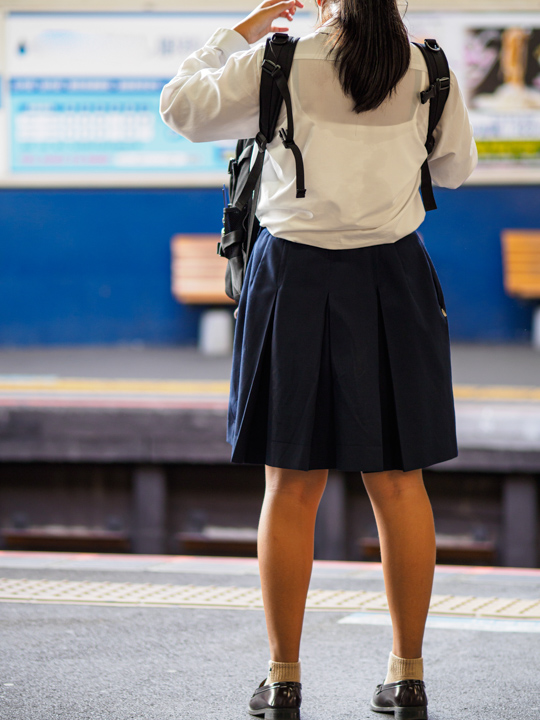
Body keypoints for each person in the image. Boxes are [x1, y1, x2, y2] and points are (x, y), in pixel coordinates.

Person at [160, 1, 477, 718]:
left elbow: (180, 107)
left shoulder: (277, 61)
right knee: (399, 483)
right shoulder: (426, 65)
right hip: (394, 279)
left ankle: (283, 679)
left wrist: (237, 31)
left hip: (293, 279)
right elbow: (455, 169)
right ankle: (407, 674)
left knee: (290, 483)